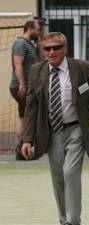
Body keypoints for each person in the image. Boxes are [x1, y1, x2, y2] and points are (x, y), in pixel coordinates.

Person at [21, 32, 89, 225]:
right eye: (47, 48)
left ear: (66, 48)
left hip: (76, 129)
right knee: (58, 179)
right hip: (51, 132)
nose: (51, 52)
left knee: (70, 173)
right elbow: (31, 107)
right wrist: (27, 139)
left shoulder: (82, 68)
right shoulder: (36, 71)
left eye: (56, 47)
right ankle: (65, 223)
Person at [9, 20, 40, 160]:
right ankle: (23, 149)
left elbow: (41, 60)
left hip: (26, 87)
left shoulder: (30, 44)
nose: (39, 32)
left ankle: (20, 148)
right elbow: (18, 64)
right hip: (21, 86)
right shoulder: (21, 43)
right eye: (37, 29)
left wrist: (40, 41)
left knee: (23, 117)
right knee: (31, 115)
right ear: (30, 29)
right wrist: (22, 84)